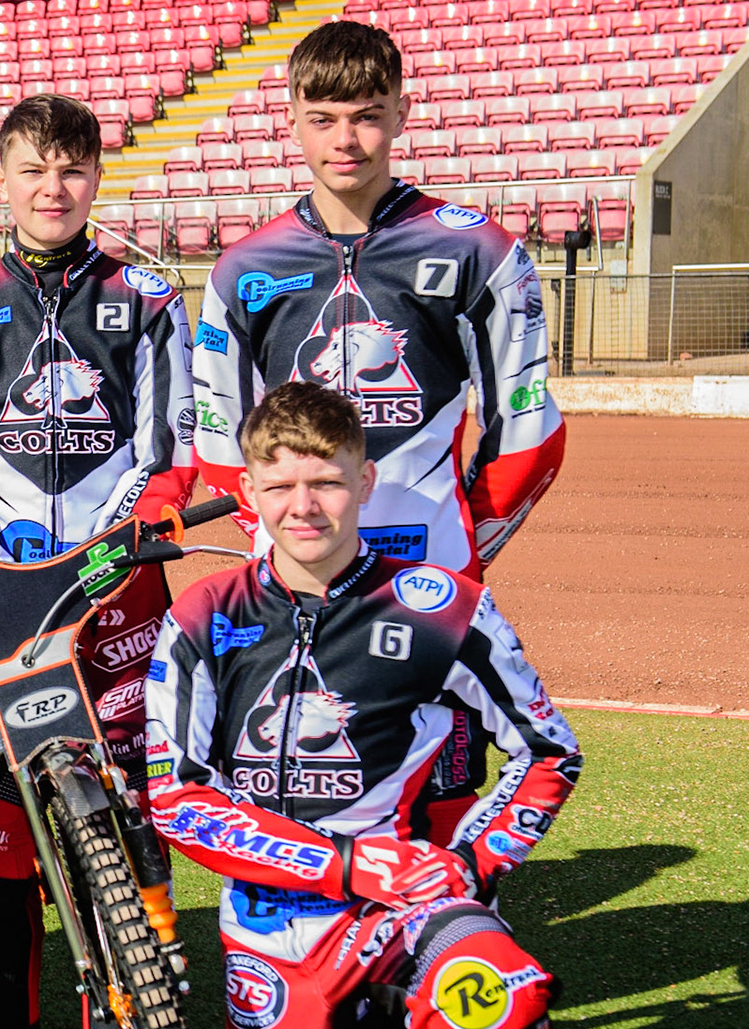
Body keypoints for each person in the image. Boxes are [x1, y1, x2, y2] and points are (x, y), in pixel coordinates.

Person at [146, 382, 580, 1029]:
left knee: (498, 989)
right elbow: (178, 800)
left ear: (367, 480)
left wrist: (465, 867)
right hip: (272, 922)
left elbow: (549, 753)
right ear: (250, 493)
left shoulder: (440, 604)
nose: (304, 506)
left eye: (328, 482)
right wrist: (343, 864)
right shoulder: (202, 614)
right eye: (281, 486)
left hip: (399, 913)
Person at [190, 19, 567, 860]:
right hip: (295, 582)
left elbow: (529, 433)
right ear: (290, 118)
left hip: (429, 578)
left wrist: (460, 548)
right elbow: (219, 441)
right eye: (323, 118)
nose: (346, 139)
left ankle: (436, 958)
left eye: (365, 114)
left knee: (442, 789)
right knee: (294, 783)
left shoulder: (479, 250)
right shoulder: (242, 268)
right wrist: (288, 550)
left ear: (400, 110)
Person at [0, 93, 196, 1029]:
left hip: (117, 608)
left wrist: (98, 567)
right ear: (1, 176)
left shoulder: (150, 298)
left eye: (71, 169)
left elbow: (170, 461)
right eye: (34, 169)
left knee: (126, 825)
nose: (53, 188)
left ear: (95, 179)